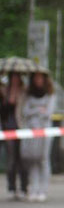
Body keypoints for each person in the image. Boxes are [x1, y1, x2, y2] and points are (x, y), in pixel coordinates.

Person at [21, 71, 56, 202]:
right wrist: (38, 110)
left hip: (45, 130)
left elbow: (48, 113)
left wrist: (34, 111)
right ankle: (33, 188)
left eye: (40, 78)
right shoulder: (28, 94)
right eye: (36, 78)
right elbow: (25, 111)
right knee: (33, 160)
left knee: (43, 159)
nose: (38, 80)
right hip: (32, 130)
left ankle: (43, 190)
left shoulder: (50, 94)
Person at [1, 72, 29, 200]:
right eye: (13, 77)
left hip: (21, 127)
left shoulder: (24, 91)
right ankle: (11, 187)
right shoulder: (3, 91)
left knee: (22, 158)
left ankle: (24, 187)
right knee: (11, 159)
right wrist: (7, 99)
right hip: (8, 128)